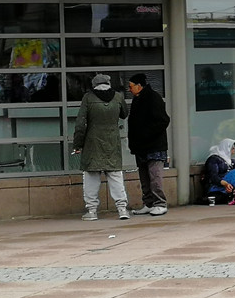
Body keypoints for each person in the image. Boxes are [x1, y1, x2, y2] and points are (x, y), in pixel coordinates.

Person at [72, 73, 130, 221]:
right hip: (112, 141)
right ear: (109, 83)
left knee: (91, 176)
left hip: (93, 143)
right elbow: (124, 114)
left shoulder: (88, 98)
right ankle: (122, 209)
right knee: (115, 175)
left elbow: (80, 124)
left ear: (94, 85)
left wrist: (78, 144)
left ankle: (92, 211)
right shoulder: (118, 97)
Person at [127, 73, 171, 216]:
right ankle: (149, 203)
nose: (129, 89)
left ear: (139, 86)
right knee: (144, 178)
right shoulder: (137, 99)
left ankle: (160, 203)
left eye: (131, 86)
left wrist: (146, 134)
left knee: (155, 176)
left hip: (154, 145)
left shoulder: (153, 98)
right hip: (140, 147)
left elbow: (163, 121)